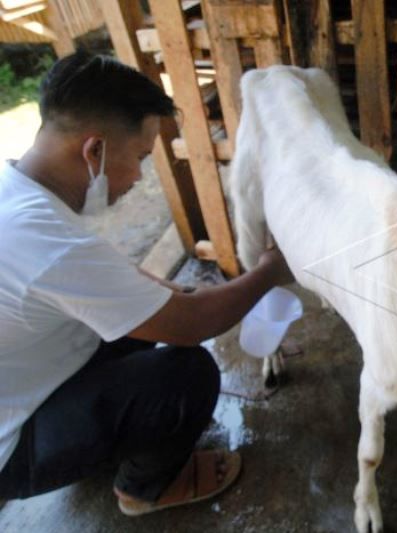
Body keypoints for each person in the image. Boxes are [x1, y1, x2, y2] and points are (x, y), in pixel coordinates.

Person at [0, 53, 293, 516]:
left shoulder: (19, 189)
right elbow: (192, 325)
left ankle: (95, 437)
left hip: (27, 379)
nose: (139, 176)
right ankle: (143, 489)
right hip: (10, 446)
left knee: (141, 320)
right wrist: (271, 271)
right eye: (138, 158)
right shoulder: (46, 243)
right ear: (92, 150)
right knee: (185, 377)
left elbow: (105, 278)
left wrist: (172, 294)